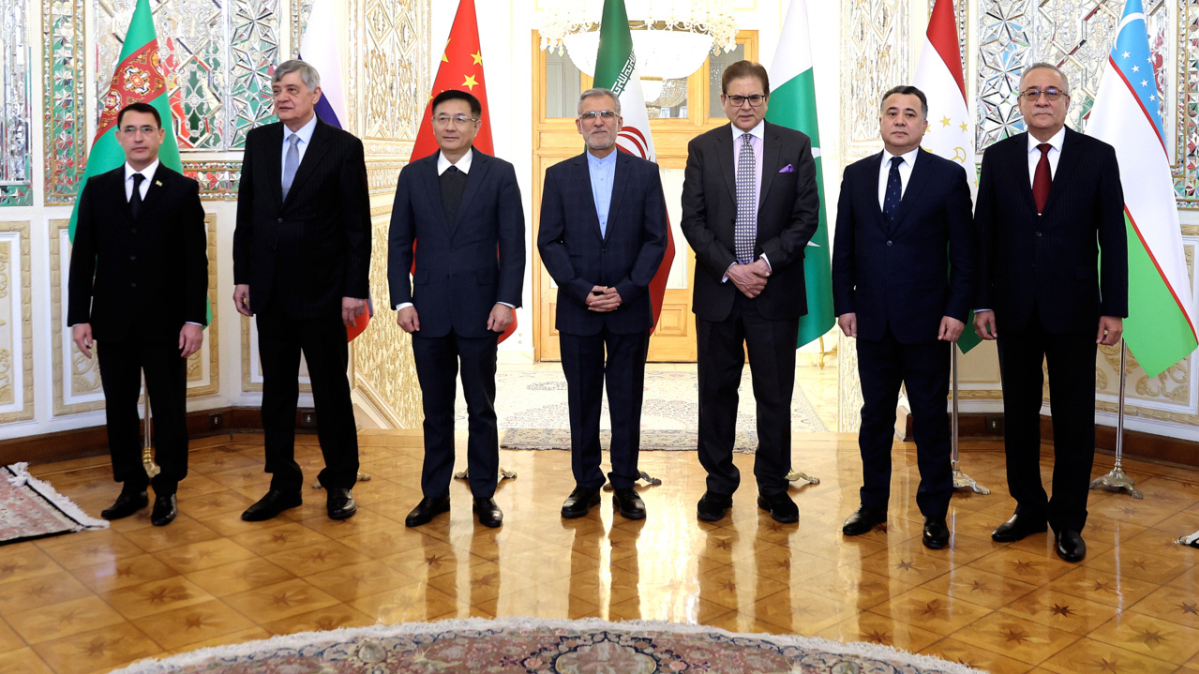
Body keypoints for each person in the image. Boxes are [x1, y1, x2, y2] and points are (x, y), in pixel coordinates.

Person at [974, 63, 1127, 562]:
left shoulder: (1097, 156)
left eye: (1052, 93)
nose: (1042, 100)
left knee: (1074, 418)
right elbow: (983, 235)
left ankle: (1068, 519)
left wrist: (1114, 308)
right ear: (1020, 102)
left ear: (1067, 102)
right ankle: (1028, 508)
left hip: (1076, 308)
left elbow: (1113, 237)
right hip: (1012, 307)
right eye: (1032, 93)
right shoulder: (997, 158)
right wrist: (982, 300)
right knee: (1019, 415)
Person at [832, 85, 975, 550]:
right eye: (891, 112)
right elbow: (843, 247)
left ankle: (934, 514)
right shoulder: (856, 176)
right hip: (872, 321)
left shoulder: (947, 177)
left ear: (924, 125)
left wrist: (956, 310)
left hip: (929, 324)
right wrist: (844, 303)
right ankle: (872, 504)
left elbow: (965, 255)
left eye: (910, 114)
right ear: (880, 121)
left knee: (930, 420)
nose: (900, 120)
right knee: (874, 419)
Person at [680, 60, 820, 524]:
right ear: (723, 101)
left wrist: (762, 265)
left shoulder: (794, 146)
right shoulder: (702, 148)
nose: (746, 106)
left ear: (766, 99)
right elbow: (692, 221)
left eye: (754, 98)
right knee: (716, 395)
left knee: (775, 396)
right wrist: (731, 268)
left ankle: (773, 487)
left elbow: (806, 218)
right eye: (737, 98)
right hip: (719, 292)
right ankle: (718, 486)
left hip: (774, 291)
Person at [232, 60, 371, 522]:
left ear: (314, 94)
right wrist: (243, 277)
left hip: (324, 292)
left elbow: (357, 226)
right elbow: (248, 214)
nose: (282, 97)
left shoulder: (343, 147)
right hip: (270, 289)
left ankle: (340, 481)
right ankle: (283, 484)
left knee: (330, 391)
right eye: (277, 90)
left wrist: (354, 289)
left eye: (292, 89)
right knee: (277, 393)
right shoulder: (260, 141)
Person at [388, 89, 526, 529]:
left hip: (482, 310)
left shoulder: (499, 173)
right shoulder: (413, 175)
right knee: (436, 409)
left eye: (460, 119)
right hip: (426, 312)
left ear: (476, 125)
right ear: (433, 124)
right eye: (443, 118)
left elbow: (514, 245)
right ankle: (434, 494)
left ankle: (484, 493)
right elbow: (397, 243)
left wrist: (506, 300)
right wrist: (402, 300)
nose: (450, 126)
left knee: (481, 407)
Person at [68, 101, 208, 527]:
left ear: (161, 136)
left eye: (147, 129)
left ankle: (167, 489)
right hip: (112, 320)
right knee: (119, 406)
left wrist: (194, 319)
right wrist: (79, 316)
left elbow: (195, 262)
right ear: (118, 137)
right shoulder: (98, 188)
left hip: (167, 323)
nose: (138, 137)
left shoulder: (182, 190)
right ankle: (131, 486)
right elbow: (83, 258)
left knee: (168, 407)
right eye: (130, 130)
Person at [538, 88, 668, 520]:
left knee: (627, 400)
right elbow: (549, 241)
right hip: (579, 309)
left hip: (629, 307)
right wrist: (580, 289)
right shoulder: (558, 176)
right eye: (590, 115)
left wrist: (626, 290)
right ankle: (586, 483)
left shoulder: (645, 174)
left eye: (606, 114)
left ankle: (626, 483)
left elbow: (656, 240)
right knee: (583, 401)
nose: (598, 122)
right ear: (578, 125)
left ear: (619, 122)